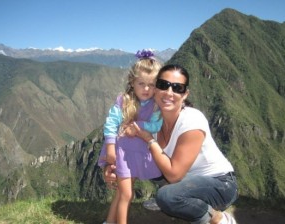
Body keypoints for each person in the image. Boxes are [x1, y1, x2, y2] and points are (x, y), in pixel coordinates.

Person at [104, 64, 238, 224]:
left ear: (185, 94)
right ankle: (176, 197)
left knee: (166, 197)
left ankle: (217, 218)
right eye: (163, 85)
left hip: (219, 184)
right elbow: (130, 152)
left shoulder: (191, 120)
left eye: (177, 88)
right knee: (153, 163)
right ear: (156, 90)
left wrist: (149, 140)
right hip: (186, 180)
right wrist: (112, 167)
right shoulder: (152, 122)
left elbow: (174, 175)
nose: (169, 92)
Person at [98, 49, 163, 224]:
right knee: (127, 193)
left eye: (151, 84)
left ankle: (110, 221)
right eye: (141, 83)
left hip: (137, 152)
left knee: (122, 192)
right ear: (132, 82)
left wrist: (138, 127)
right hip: (122, 152)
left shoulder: (156, 106)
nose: (146, 89)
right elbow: (111, 122)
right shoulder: (124, 101)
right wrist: (110, 147)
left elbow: (156, 125)